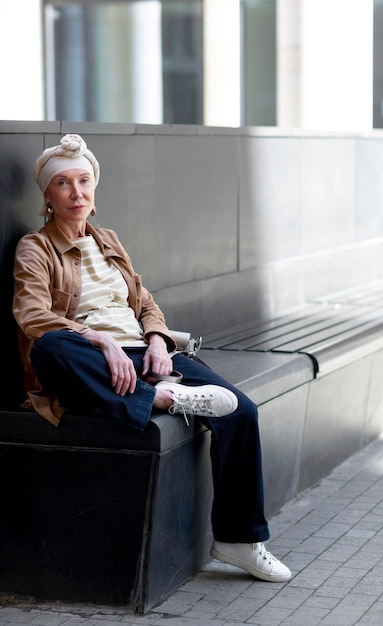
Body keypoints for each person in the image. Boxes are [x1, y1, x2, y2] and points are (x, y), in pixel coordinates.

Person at [12, 133, 291, 584]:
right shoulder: (35, 248)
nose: (77, 192)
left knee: (240, 410)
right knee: (51, 348)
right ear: (47, 194)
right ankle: (158, 399)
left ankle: (240, 539)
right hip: (88, 359)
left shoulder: (108, 240)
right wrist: (100, 341)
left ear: (94, 188)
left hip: (142, 354)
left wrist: (158, 341)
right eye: (63, 184)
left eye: (84, 181)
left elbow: (144, 302)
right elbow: (31, 315)